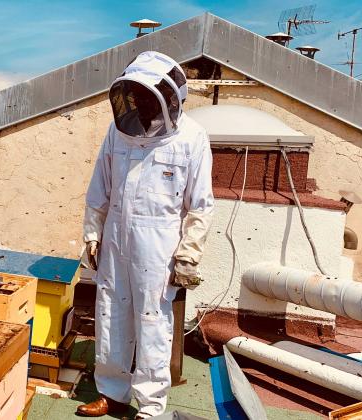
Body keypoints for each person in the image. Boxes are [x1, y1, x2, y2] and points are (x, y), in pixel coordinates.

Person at [76, 51, 214, 418]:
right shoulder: (118, 131)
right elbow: (99, 188)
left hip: (159, 242)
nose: (140, 104)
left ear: (170, 99)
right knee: (111, 314)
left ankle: (151, 406)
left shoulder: (193, 138)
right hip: (116, 236)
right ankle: (112, 393)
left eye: (148, 97)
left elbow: (200, 205)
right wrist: (92, 234)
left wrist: (188, 254)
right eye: (136, 96)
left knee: (153, 321)